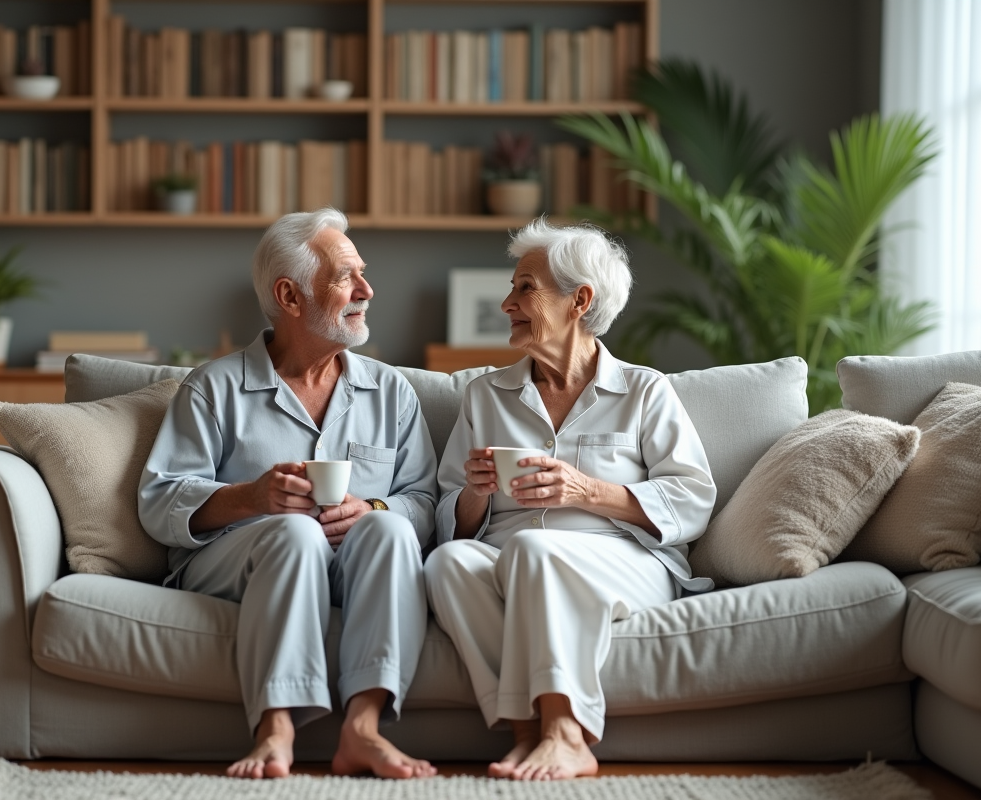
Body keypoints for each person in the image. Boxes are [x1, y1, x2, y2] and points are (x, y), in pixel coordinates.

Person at [139, 208, 439, 780]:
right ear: (290, 296)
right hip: (235, 561)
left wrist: (372, 508)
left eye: (363, 273)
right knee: (295, 530)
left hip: (352, 561)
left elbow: (425, 501)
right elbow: (159, 501)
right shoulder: (213, 388)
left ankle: (363, 729)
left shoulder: (391, 392)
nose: (367, 290)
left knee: (390, 526)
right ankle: (274, 729)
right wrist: (251, 498)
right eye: (346, 276)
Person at [425, 219, 717, 781]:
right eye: (512, 288)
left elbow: (693, 497)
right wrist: (475, 493)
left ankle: (567, 733)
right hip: (508, 557)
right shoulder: (485, 394)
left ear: (580, 300)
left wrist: (586, 490)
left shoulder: (644, 390)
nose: (507, 301)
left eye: (525, 288)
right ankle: (527, 731)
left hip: (619, 559)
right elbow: (448, 515)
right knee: (448, 564)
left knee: (536, 551)